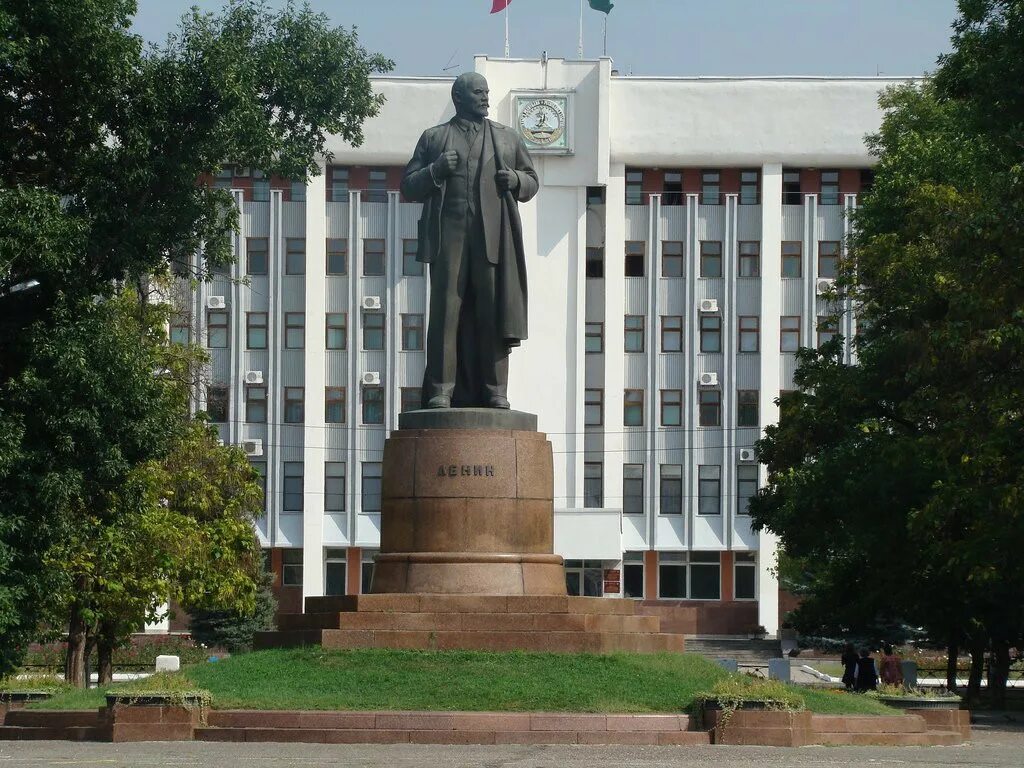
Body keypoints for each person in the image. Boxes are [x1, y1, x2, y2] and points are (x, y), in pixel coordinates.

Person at [401, 72, 539, 409]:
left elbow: (533, 180)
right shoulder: (435, 138)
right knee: (446, 313)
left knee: (493, 312)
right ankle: (441, 390)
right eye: (479, 93)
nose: (486, 98)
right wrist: (435, 171)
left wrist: (516, 180)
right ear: (459, 97)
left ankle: (495, 390)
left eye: (487, 92)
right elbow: (408, 186)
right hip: (449, 238)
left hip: (493, 240)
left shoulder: (506, 138)